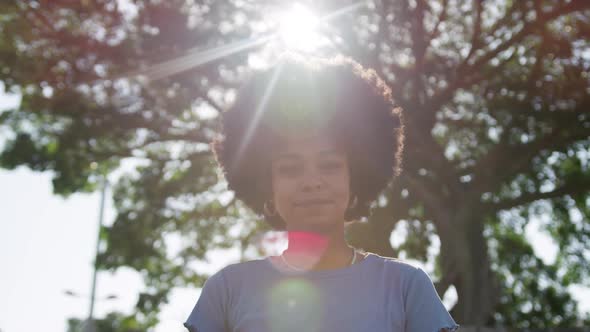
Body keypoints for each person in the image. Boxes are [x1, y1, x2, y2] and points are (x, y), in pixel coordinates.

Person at [183, 53, 459, 332]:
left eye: (329, 166)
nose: (312, 181)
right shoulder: (227, 291)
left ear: (356, 182)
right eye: (290, 169)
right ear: (267, 189)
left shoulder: (405, 286)